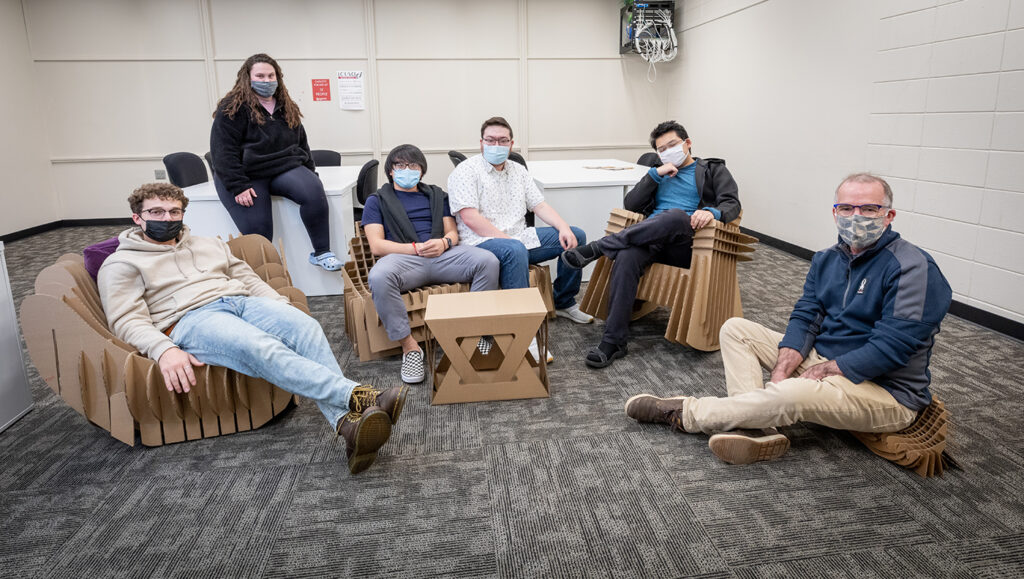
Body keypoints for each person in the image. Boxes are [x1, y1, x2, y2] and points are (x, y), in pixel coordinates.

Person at [623, 173, 952, 465]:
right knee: (736, 329)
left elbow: (892, 348)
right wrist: (782, 367)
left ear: (889, 215)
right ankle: (757, 427)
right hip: (825, 362)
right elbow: (807, 315)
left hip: (884, 391)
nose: (857, 217)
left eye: (869, 209)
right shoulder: (827, 259)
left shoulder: (913, 268)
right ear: (835, 213)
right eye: (847, 209)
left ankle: (687, 413)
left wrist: (818, 372)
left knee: (791, 394)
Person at [97, 183, 406, 474]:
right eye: (157, 212)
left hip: (240, 301)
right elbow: (126, 319)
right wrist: (163, 349)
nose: (168, 218)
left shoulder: (206, 245)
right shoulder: (121, 264)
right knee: (260, 347)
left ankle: (348, 425)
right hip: (190, 319)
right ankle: (362, 396)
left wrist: (278, 306)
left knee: (305, 326)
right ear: (138, 217)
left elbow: (246, 277)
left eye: (174, 211)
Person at [560, 121, 740, 368]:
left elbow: (732, 204)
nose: (668, 151)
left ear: (688, 143)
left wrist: (711, 213)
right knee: (626, 256)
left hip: (690, 244)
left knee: (676, 216)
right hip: (651, 240)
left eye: (673, 145)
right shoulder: (658, 172)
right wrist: (655, 174)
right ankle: (614, 342)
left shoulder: (711, 169)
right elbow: (631, 205)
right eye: (662, 149)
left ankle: (599, 247)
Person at [447, 116, 593, 360]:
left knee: (576, 236)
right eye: (491, 140)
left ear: (511, 143)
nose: (497, 145)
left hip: (518, 237)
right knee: (514, 250)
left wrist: (563, 226)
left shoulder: (518, 170)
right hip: (480, 242)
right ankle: (524, 335)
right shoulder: (466, 171)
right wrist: (508, 240)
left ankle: (564, 301)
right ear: (481, 143)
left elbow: (539, 205)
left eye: (502, 140)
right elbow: (470, 217)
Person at [362, 144, 500, 384]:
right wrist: (414, 248)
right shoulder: (377, 201)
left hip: (442, 255)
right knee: (378, 276)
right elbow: (377, 245)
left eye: (413, 165)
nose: (408, 170)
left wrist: (444, 243)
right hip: (404, 258)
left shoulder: (438, 195)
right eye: (401, 165)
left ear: (422, 171)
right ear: (391, 171)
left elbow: (452, 233)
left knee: (487, 261)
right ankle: (410, 348)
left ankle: (475, 334)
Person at [210, 53, 341, 272]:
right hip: (246, 173)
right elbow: (222, 152)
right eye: (260, 76)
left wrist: (310, 173)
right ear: (247, 77)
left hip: (282, 166)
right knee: (259, 229)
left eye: (271, 75)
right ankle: (264, 275)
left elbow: (302, 144)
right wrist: (238, 186)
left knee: (313, 191)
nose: (266, 80)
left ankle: (322, 253)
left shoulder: (285, 105)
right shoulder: (232, 108)